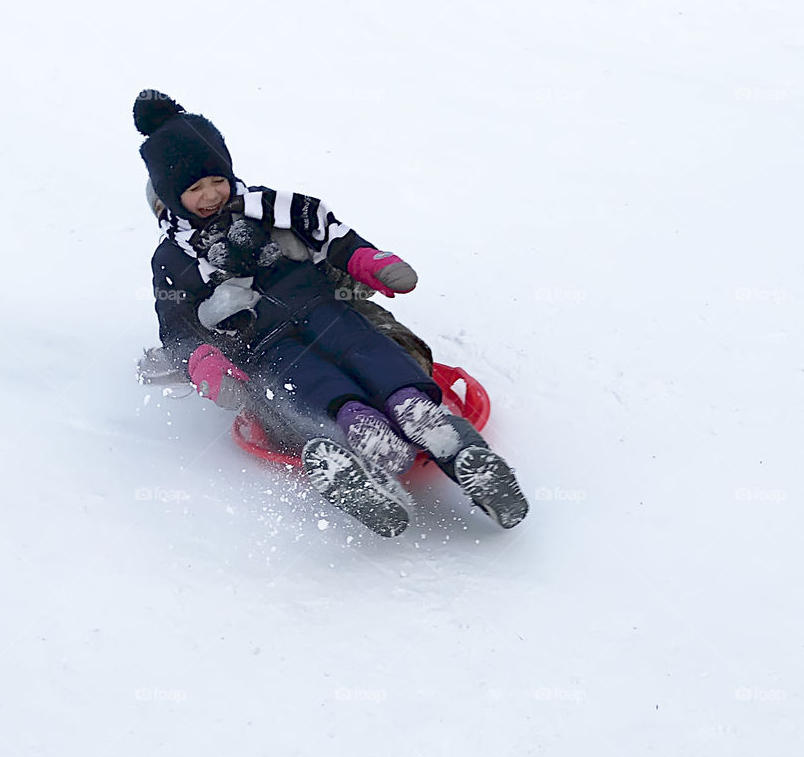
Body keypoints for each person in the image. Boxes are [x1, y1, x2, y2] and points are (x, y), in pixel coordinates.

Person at [134, 89, 528, 535]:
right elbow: (177, 332)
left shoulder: (272, 212)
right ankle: (354, 450)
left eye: (215, 181)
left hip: (327, 309)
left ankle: (437, 428)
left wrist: (366, 265)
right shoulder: (174, 261)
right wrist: (205, 361)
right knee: (289, 390)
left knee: (375, 349)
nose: (210, 196)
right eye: (190, 190)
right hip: (264, 346)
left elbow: (332, 238)